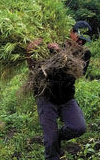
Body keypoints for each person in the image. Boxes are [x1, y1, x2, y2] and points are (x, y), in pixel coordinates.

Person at [26, 21, 92, 160]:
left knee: (79, 127)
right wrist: (29, 52)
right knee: (49, 142)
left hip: (66, 97)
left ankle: (57, 138)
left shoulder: (85, 54)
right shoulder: (50, 46)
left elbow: (75, 70)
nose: (80, 42)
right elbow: (34, 69)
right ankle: (53, 149)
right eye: (78, 37)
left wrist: (61, 52)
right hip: (46, 96)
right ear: (71, 32)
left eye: (83, 41)